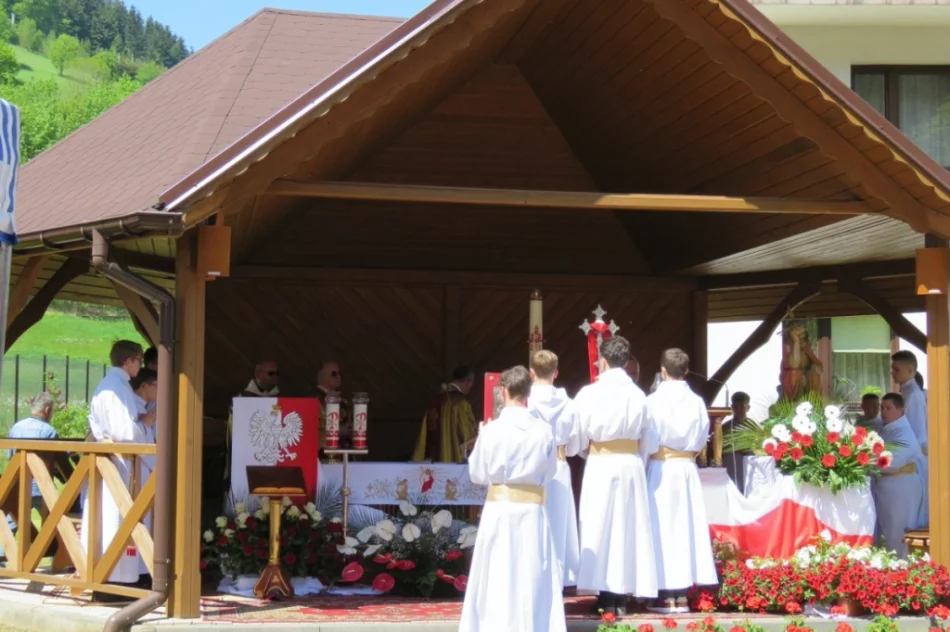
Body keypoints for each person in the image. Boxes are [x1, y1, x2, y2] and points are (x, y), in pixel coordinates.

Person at [459, 365, 564, 632]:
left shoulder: (491, 430)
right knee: (531, 573)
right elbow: (550, 472)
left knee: (497, 572)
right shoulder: (543, 430)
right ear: (527, 393)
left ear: (502, 392)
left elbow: (477, 473)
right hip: (531, 510)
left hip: (500, 509)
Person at [573, 335, 656, 616]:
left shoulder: (589, 393)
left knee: (600, 524)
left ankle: (606, 592)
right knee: (626, 526)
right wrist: (636, 459)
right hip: (630, 463)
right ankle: (618, 593)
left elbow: (577, 435)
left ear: (603, 361)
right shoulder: (639, 395)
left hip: (601, 461)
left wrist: (590, 451)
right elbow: (649, 439)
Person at [643, 349, 717, 612]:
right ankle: (682, 593)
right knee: (684, 527)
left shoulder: (652, 401)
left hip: (662, 467)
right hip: (685, 467)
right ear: (685, 371)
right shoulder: (696, 401)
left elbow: (648, 438)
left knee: (662, 528)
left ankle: (664, 594)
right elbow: (702, 436)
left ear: (662, 371)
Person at [82, 340, 146, 601]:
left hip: (113, 462)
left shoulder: (111, 385)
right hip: (117, 464)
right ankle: (115, 581)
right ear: (128, 360)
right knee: (115, 521)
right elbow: (126, 433)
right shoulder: (116, 388)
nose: (140, 366)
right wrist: (145, 429)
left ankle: (110, 577)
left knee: (111, 519)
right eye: (139, 360)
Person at [527, 350, 580, 590]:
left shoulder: (526, 401)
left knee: (534, 523)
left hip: (532, 468)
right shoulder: (568, 404)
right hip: (558, 465)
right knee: (558, 524)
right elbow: (576, 445)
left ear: (531, 372)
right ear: (556, 373)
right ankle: (557, 580)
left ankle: (534, 578)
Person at [1, 393, 59, 561]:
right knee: (57, 520)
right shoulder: (48, 431)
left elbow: (10, 454)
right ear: (47, 410)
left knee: (11, 521)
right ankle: (60, 553)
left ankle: (2, 554)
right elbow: (58, 460)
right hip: (41, 486)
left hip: (18, 483)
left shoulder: (16, 427)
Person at [873, 393, 927, 559]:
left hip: (901, 491)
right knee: (889, 533)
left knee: (899, 533)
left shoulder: (903, 432)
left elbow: (890, 462)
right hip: (889, 491)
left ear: (900, 409)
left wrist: (865, 460)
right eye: (882, 408)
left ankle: (901, 570)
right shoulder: (888, 428)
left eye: (888, 408)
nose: (884, 411)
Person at [412, 366, 476, 463]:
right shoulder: (460, 403)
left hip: (435, 457)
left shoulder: (435, 400)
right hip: (455, 459)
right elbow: (466, 433)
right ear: (467, 381)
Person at [129, 368, 157, 587]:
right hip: (135, 472)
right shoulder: (134, 407)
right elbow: (137, 439)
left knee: (146, 522)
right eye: (156, 385)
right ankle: (136, 573)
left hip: (145, 470)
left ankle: (143, 569)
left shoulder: (146, 408)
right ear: (145, 385)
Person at [891, 351, 927, 452]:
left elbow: (916, 432)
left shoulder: (913, 395)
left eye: (896, 369)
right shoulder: (907, 392)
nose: (892, 372)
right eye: (892, 368)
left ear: (910, 370)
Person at [314, 360, 351, 450]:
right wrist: (337, 432)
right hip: (322, 452)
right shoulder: (313, 399)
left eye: (339, 373)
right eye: (334, 374)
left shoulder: (343, 399)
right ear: (321, 376)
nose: (338, 377)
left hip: (343, 451)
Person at [721, 391, 753, 493]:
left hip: (748, 462)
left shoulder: (754, 426)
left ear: (748, 407)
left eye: (742, 407)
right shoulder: (725, 427)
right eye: (736, 407)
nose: (738, 410)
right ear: (731, 407)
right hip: (730, 462)